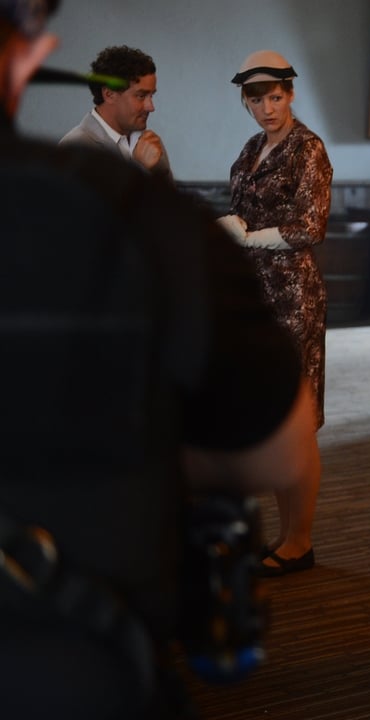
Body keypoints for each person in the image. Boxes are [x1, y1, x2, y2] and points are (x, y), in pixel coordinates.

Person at [0, 2, 320, 718]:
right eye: (141, 93)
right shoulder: (116, 205)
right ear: (29, 57)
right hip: (84, 638)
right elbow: (280, 454)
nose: (150, 105)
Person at [217, 49, 331, 577]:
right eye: (257, 100)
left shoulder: (309, 148)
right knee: (266, 420)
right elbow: (242, 210)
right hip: (252, 294)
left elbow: (310, 226)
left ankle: (300, 541)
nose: (267, 108)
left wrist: (247, 237)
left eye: (276, 97)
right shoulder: (251, 148)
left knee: (295, 419)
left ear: (290, 94)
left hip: (291, 294)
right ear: (245, 102)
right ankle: (281, 535)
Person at [59, 44, 172, 179]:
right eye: (141, 96)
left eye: (151, 96)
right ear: (109, 94)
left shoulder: (151, 144)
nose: (150, 107)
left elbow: (170, 193)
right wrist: (140, 167)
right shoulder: (75, 148)